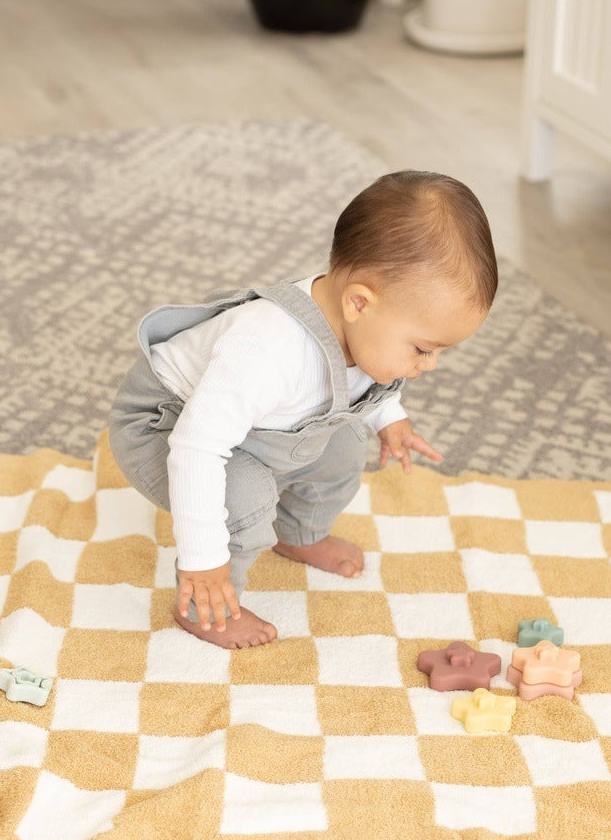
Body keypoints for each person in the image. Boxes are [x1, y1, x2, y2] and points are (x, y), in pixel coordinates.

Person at [108, 170, 497, 649]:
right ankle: (203, 606)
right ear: (359, 303)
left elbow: (359, 379)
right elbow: (196, 450)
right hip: (166, 426)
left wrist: (388, 417)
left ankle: (298, 533)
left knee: (346, 444)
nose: (430, 365)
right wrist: (202, 556)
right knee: (245, 497)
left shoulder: (359, 323)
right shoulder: (267, 350)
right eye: (421, 349)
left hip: (253, 422)